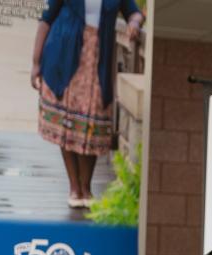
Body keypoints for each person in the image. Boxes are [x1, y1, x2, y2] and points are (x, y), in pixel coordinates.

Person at [31, 0, 144, 209]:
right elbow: (46, 19)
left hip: (98, 62)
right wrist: (36, 62)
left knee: (92, 125)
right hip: (64, 56)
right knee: (67, 124)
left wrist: (135, 24)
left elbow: (134, 13)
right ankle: (74, 187)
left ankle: (86, 186)